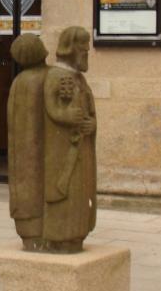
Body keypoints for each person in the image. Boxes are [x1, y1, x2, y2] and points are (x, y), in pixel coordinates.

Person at [42, 26, 96, 253]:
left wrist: (92, 124)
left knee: (80, 192)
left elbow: (90, 112)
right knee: (65, 193)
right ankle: (60, 237)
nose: (86, 53)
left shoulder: (80, 79)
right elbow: (51, 108)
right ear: (70, 49)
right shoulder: (55, 76)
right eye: (83, 50)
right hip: (63, 150)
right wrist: (66, 115)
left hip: (81, 148)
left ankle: (77, 235)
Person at [7, 33, 49, 249]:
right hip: (37, 147)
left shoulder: (19, 81)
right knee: (36, 184)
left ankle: (29, 231)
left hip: (21, 148)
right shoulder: (46, 78)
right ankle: (37, 232)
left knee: (26, 183)